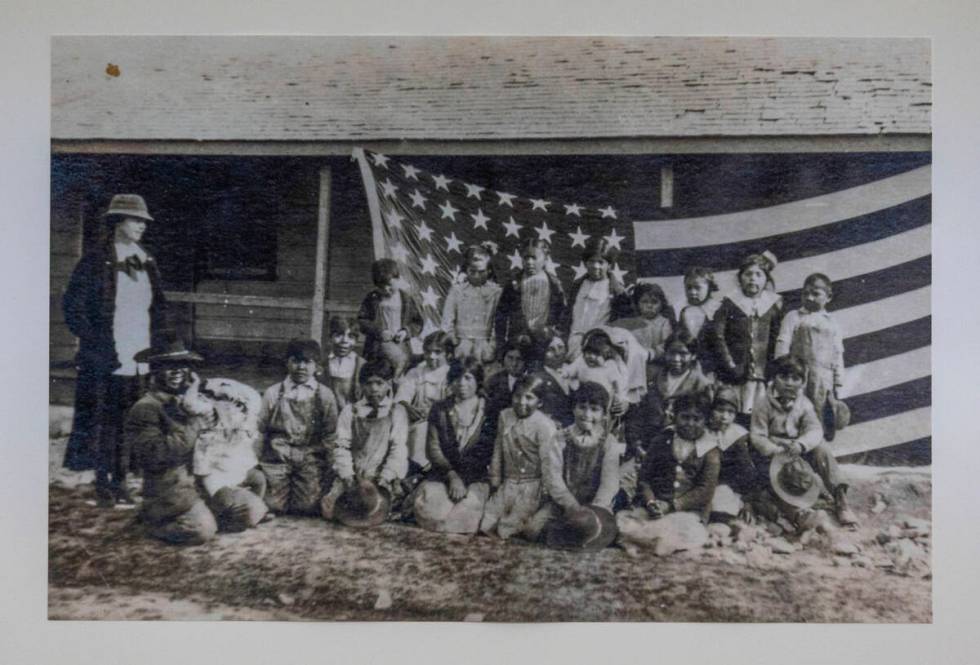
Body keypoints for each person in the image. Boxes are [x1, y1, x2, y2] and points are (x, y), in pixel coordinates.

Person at [62, 193, 168, 507]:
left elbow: (157, 307)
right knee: (104, 421)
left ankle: (122, 480)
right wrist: (95, 343)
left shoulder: (144, 260)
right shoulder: (96, 260)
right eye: (135, 220)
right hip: (107, 356)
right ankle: (103, 482)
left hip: (139, 354)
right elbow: (73, 307)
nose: (141, 227)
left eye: (144, 222)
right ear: (117, 222)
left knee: (131, 419)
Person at [124, 340, 217, 545]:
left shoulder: (187, 400)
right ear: (155, 370)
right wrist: (194, 422)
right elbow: (156, 454)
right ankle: (151, 523)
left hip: (199, 481)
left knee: (245, 510)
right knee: (202, 530)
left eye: (182, 365)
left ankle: (200, 509)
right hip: (169, 487)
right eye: (169, 366)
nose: (177, 371)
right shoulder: (146, 408)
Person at [748, 355, 857, 527]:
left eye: (795, 378)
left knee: (822, 449)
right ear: (774, 378)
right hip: (774, 453)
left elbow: (814, 429)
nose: (789, 383)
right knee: (774, 478)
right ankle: (798, 513)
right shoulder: (763, 404)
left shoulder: (804, 404)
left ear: (802, 382)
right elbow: (757, 435)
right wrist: (774, 449)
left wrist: (801, 444)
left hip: (797, 450)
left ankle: (840, 499)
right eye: (783, 377)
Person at [256, 339, 340, 516]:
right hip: (278, 457)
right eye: (296, 361)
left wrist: (332, 468)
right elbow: (260, 429)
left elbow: (331, 435)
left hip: (309, 457)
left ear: (316, 366)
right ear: (287, 362)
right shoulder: (273, 393)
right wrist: (255, 461)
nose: (301, 367)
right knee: (272, 504)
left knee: (307, 506)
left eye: (307, 362)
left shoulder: (325, 395)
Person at [413, 357, 496, 534]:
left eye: (468, 378)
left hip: (474, 476)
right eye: (457, 378)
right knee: (434, 514)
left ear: (478, 381)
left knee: (465, 517)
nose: (462, 384)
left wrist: (463, 479)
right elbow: (433, 448)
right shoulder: (440, 409)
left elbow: (485, 450)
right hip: (444, 474)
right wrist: (451, 476)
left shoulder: (489, 411)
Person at [320, 358, 410, 522]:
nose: (374, 389)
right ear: (361, 385)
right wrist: (347, 476)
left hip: (381, 474)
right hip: (354, 474)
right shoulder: (350, 411)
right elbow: (341, 446)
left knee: (382, 506)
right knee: (330, 510)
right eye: (368, 383)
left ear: (389, 384)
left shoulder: (397, 411)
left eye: (379, 383)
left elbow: (398, 448)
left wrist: (385, 477)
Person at [532, 382, 622, 546]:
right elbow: (553, 477)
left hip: (596, 505)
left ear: (603, 414)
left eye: (594, 409)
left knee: (599, 533)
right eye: (582, 407)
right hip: (564, 503)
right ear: (573, 408)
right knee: (533, 529)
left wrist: (596, 507)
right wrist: (571, 505)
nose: (587, 414)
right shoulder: (560, 438)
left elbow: (610, 482)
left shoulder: (608, 442)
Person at [480, 375, 557, 539]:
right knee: (486, 524)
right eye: (517, 396)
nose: (521, 402)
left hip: (532, 485)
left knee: (506, 529)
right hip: (509, 482)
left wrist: (545, 492)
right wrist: (495, 480)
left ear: (540, 402)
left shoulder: (544, 425)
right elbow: (498, 449)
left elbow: (548, 462)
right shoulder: (505, 416)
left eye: (529, 397)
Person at [774, 272, 846, 440]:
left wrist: (838, 382)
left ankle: (816, 451)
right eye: (805, 293)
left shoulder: (832, 322)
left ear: (828, 297)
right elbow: (783, 343)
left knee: (818, 414)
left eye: (816, 294)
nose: (809, 298)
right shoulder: (794, 317)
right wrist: (782, 373)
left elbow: (838, 353)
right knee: (794, 413)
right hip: (797, 377)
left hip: (823, 380)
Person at [713, 251, 784, 421]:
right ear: (740, 278)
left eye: (758, 274)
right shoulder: (730, 304)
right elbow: (718, 336)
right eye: (748, 274)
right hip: (736, 371)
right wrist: (729, 363)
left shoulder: (773, 305)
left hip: (762, 373)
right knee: (735, 411)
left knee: (760, 414)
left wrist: (775, 367)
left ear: (766, 279)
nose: (753, 279)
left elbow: (777, 337)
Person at [635, 393, 721, 524]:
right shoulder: (661, 440)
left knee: (680, 536)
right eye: (685, 417)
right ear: (675, 417)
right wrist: (651, 501)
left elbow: (705, 490)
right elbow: (644, 478)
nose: (690, 423)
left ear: (706, 421)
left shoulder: (710, 449)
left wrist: (672, 506)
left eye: (697, 419)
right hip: (656, 505)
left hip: (690, 510)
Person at [394, 331, 454, 470]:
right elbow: (402, 397)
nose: (431, 356)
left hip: (444, 425)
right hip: (418, 423)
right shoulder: (416, 373)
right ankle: (418, 468)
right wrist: (407, 407)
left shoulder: (451, 374)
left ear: (448, 354)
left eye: (438, 352)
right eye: (428, 352)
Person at [494, 239, 567, 348]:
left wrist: (553, 333)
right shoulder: (514, 284)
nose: (529, 262)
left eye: (534, 258)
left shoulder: (554, 284)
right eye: (526, 258)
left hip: (545, 340)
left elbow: (563, 314)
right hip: (519, 339)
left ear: (545, 259)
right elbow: (501, 314)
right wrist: (501, 341)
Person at [566, 238, 631, 358]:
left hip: (599, 344)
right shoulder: (578, 285)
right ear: (585, 263)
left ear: (609, 265)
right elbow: (568, 315)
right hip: (573, 340)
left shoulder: (617, 290)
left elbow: (622, 322)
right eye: (591, 261)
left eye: (601, 262)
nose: (596, 266)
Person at [358, 258, 423, 377]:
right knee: (379, 374)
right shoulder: (372, 298)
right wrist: (379, 332)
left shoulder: (406, 299)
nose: (386, 290)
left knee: (402, 371)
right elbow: (362, 321)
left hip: (402, 346)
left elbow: (417, 323)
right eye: (381, 287)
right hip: (378, 347)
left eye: (389, 285)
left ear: (398, 279)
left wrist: (405, 332)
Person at [440, 244, 503, 364]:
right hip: (461, 344)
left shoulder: (496, 292)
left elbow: (498, 323)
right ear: (466, 270)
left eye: (481, 272)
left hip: (485, 344)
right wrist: (454, 341)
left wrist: (492, 346)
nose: (476, 276)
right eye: (472, 271)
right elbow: (447, 320)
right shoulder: (457, 291)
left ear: (489, 270)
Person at [564, 329, 629, 418]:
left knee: (600, 415)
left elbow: (617, 383)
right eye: (589, 353)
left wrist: (619, 397)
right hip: (583, 395)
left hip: (602, 399)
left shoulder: (609, 366)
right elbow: (570, 370)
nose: (592, 357)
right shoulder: (581, 362)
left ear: (605, 355)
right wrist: (565, 372)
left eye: (597, 354)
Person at [610, 282, 675, 362]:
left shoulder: (664, 323)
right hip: (635, 360)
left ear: (661, 304)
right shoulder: (633, 322)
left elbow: (666, 344)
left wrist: (651, 353)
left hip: (655, 361)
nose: (649, 306)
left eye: (654, 302)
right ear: (637, 304)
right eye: (644, 302)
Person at [677, 266, 721, 376]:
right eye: (689, 288)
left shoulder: (717, 309)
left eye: (697, 288)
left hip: (713, 365)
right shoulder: (683, 311)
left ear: (709, 288)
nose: (692, 292)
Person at [530, 326, 574, 428]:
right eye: (551, 349)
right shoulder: (538, 377)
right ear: (542, 353)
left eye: (560, 347)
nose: (557, 353)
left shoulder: (573, 371)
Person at [483, 338, 530, 427]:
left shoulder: (532, 381)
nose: (514, 364)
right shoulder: (494, 381)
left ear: (526, 361)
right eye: (510, 358)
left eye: (519, 359)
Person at [323, 316, 364, 411]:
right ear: (330, 337)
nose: (344, 341)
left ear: (356, 340)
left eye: (351, 336)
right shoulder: (323, 364)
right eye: (338, 335)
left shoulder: (362, 365)